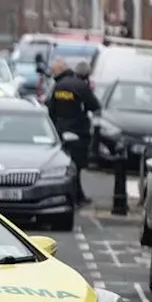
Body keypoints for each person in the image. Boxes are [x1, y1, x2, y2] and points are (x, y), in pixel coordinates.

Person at [46, 57, 101, 205]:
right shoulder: (80, 86)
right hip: (79, 131)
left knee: (66, 165)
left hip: (60, 131)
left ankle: (74, 195)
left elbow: (51, 110)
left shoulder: (57, 87)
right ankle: (77, 197)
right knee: (77, 165)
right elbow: (95, 105)